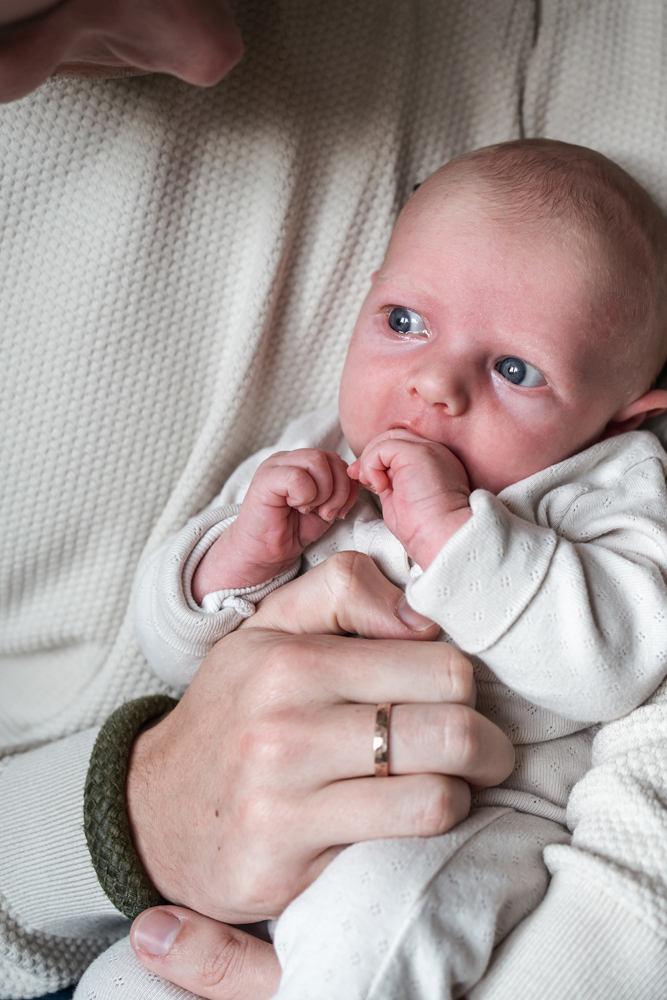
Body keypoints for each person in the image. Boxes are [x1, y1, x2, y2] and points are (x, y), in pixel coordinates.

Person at [3, 3, 667, 1000]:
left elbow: (619, 664)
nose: (434, 386)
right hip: (232, 853)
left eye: (517, 369)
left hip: (464, 824)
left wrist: (457, 542)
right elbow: (177, 650)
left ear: (624, 418)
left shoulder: (606, 486)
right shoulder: (324, 454)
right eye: (402, 321)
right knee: (123, 978)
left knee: (369, 933)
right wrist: (232, 561)